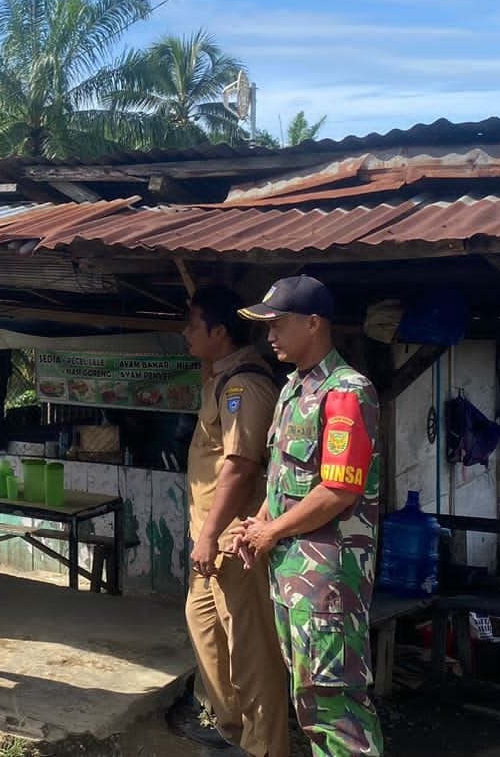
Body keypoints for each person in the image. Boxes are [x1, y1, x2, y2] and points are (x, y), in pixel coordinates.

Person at [236, 275, 384, 757]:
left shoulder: (346, 392)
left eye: (278, 324)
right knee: (310, 703)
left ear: (314, 323)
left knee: (336, 706)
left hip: (327, 582)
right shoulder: (292, 390)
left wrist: (271, 531)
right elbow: (285, 478)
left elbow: (339, 489)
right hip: (293, 576)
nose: (270, 335)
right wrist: (258, 523)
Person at [172, 286, 290, 757]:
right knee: (204, 626)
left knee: (249, 647)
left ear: (219, 332)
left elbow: (240, 468)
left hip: (234, 539)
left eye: (193, 325)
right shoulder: (221, 378)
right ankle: (232, 730)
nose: (184, 333)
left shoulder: (245, 385)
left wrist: (208, 536)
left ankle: (265, 746)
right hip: (211, 540)